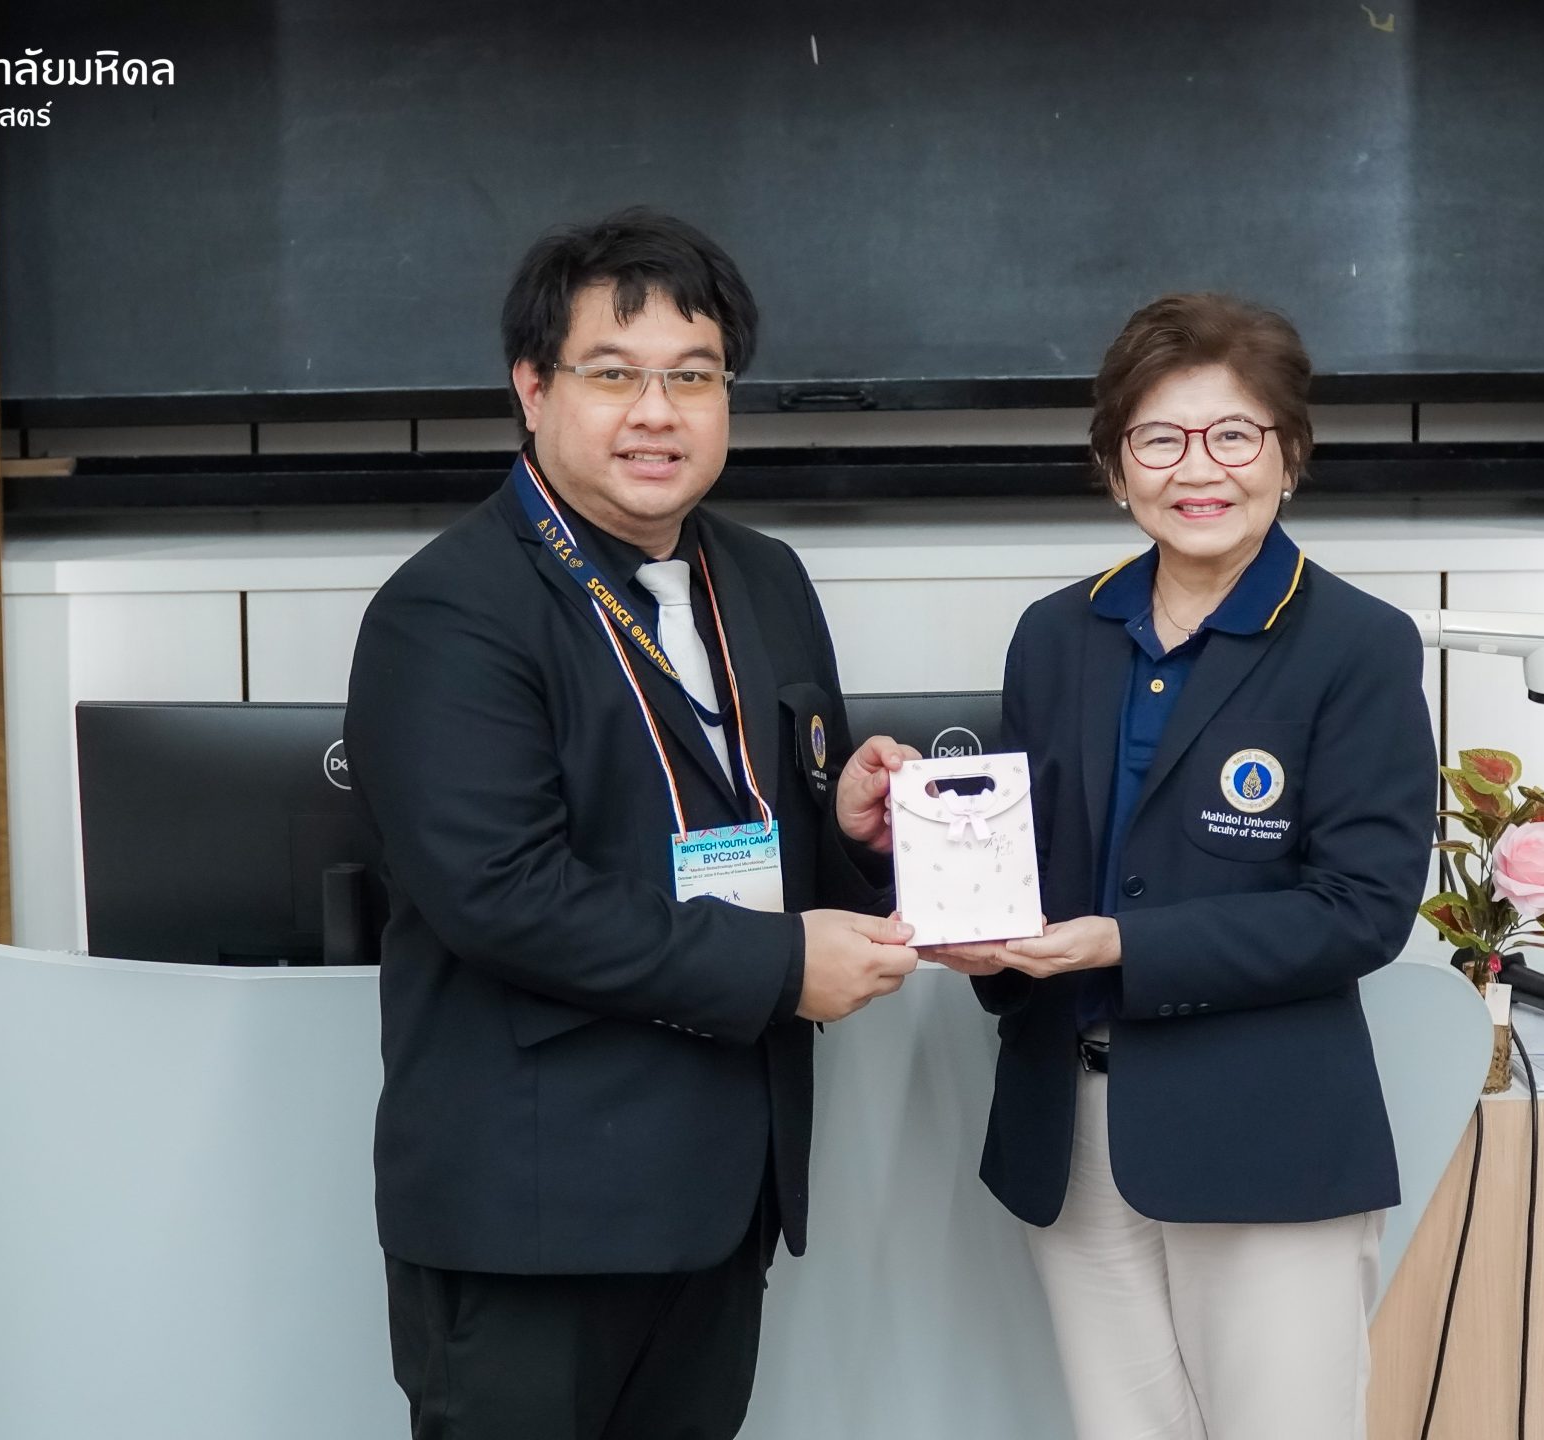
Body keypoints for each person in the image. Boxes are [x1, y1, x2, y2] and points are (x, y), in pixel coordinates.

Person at [344, 208, 924, 1440]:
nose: (657, 413)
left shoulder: (763, 578)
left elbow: (768, 827)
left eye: (693, 377)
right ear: (533, 387)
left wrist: (854, 829)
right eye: (614, 375)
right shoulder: (447, 611)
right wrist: (781, 967)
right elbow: (500, 895)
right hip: (534, 1215)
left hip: (718, 1196)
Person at [928, 293, 1437, 1439]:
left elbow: (1360, 910)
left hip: (1262, 1130)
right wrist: (949, 901)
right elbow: (1024, 866)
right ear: (1115, 468)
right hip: (1072, 1129)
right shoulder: (1055, 635)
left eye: (1233, 435)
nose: (1196, 469)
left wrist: (1122, 944)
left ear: (1289, 454)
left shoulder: (1357, 645)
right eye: (1158, 438)